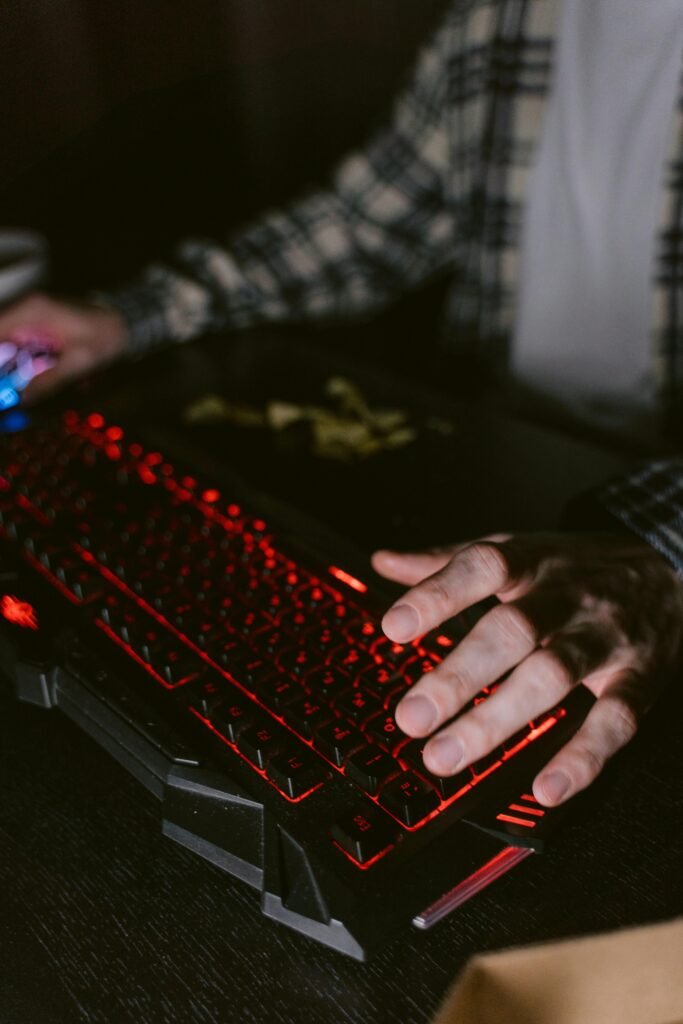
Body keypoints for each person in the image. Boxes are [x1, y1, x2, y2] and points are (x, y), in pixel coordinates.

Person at [2, 0, 683, 810]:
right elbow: (361, 232)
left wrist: (661, 556)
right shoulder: (507, 18)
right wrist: (128, 319)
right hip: (500, 484)